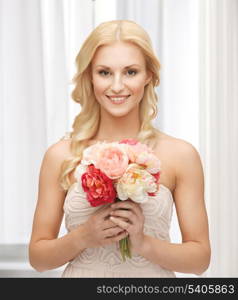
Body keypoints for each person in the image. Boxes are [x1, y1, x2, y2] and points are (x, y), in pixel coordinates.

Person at [29, 20, 211, 278]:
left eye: (130, 72)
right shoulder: (61, 155)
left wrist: (144, 243)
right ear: (89, 76)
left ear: (149, 75)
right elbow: (38, 259)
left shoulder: (180, 155)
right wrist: (83, 237)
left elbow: (200, 260)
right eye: (104, 72)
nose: (117, 86)